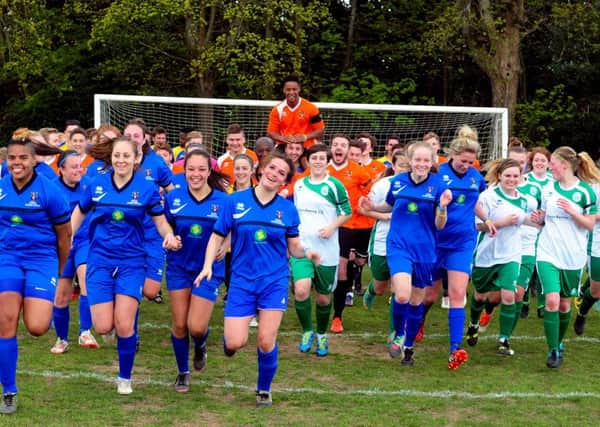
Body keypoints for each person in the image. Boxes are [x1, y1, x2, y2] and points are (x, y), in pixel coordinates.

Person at [195, 152, 320, 407]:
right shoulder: (236, 202)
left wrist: (306, 253)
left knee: (265, 339)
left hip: (274, 281)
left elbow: (293, 245)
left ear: (284, 182)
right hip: (241, 280)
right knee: (235, 341)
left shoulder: (287, 209)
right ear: (262, 169)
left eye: (281, 173)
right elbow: (217, 236)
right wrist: (208, 265)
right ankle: (230, 341)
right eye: (272, 168)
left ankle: (264, 389)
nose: (274, 174)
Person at [71, 136, 181, 394]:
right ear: (111, 157)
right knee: (102, 326)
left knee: (124, 325)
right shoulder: (96, 185)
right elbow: (79, 213)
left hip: (132, 261)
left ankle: (125, 378)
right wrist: (67, 239)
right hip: (99, 260)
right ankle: (109, 321)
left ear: (136, 158)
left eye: (126, 156)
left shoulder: (146, 188)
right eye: (117, 155)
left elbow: (160, 221)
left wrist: (167, 235)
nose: (121, 160)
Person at [359, 141, 452, 366]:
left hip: (425, 250)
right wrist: (370, 206)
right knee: (402, 294)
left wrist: (442, 207)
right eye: (417, 159)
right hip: (398, 245)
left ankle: (408, 345)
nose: (421, 164)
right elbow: (389, 206)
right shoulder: (398, 182)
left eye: (426, 160)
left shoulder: (439, 186)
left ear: (432, 163)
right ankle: (398, 335)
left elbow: (440, 225)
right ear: (410, 161)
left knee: (416, 301)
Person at [0, 137, 72, 414]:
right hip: (7, 259)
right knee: (6, 321)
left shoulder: (50, 191)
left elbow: (65, 237)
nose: (17, 163)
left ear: (34, 161)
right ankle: (9, 390)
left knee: (37, 327)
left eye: (22, 158)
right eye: (12, 158)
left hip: (42, 261)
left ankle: (37, 306)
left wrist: (61, 272)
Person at [417, 131, 490, 368]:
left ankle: (454, 349)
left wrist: (486, 219)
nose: (466, 166)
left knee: (458, 294)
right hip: (435, 241)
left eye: (471, 162)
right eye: (463, 161)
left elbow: (474, 202)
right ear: (452, 154)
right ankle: (418, 322)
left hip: (462, 242)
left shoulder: (475, 177)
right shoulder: (437, 173)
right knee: (429, 295)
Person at [164, 148, 229, 393]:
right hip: (179, 267)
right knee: (180, 325)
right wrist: (169, 237)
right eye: (191, 169)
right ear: (184, 170)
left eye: (202, 169)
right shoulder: (174, 199)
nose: (196, 174)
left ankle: (200, 344)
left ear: (209, 171)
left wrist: (226, 243)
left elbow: (234, 227)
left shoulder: (223, 201)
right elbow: (165, 226)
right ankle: (183, 372)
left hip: (209, 270)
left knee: (197, 327)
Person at [531, 146, 598, 368]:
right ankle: (552, 351)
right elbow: (542, 221)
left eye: (553, 164)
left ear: (565, 165)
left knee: (564, 304)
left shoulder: (585, 192)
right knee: (552, 300)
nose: (550, 167)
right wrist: (538, 217)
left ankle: (559, 344)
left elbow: (589, 224)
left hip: (573, 256)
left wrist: (573, 211)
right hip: (548, 251)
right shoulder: (548, 190)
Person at [467, 159, 534, 357]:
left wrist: (540, 219)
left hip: (511, 253)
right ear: (499, 176)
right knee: (480, 295)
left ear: (521, 178)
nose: (512, 179)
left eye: (516, 176)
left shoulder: (524, 200)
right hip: (487, 254)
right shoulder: (487, 197)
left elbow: (528, 221)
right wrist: (501, 223)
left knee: (508, 295)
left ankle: (504, 339)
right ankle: (473, 323)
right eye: (508, 176)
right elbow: (477, 226)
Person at [292, 144, 351, 357]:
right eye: (313, 157)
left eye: (321, 158)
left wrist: (331, 227)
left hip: (327, 251)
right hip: (303, 248)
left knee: (324, 299)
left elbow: (347, 211)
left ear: (327, 161)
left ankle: (322, 334)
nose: (317, 161)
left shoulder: (334, 185)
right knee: (301, 291)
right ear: (307, 161)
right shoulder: (299, 185)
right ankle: (307, 331)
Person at [50, 150, 99, 355]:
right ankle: (62, 339)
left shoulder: (89, 185)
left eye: (80, 166)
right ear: (61, 169)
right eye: (74, 167)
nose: (79, 170)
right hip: (62, 246)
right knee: (61, 296)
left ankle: (85, 331)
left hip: (86, 241)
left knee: (86, 277)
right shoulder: (51, 189)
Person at [361, 151, 410, 345]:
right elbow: (366, 209)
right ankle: (371, 291)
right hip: (383, 239)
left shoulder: (419, 185)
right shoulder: (383, 185)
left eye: (408, 166)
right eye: (401, 165)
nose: (404, 169)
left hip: (405, 244)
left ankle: (395, 333)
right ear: (393, 165)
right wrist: (386, 217)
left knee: (398, 290)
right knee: (381, 286)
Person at [327, 135, 372, 332]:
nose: (339, 148)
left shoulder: (359, 171)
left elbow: (372, 190)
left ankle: (339, 312)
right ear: (331, 148)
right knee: (340, 268)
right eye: (335, 144)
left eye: (343, 145)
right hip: (332, 226)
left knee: (356, 263)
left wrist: (368, 201)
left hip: (355, 226)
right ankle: (336, 314)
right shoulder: (322, 169)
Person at [524, 146, 553, 317]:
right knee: (528, 265)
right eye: (536, 160)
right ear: (531, 162)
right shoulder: (524, 179)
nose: (540, 163)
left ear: (549, 163)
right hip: (528, 228)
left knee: (544, 265)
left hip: (548, 229)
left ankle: (542, 304)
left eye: (543, 160)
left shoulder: (553, 181)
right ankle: (525, 301)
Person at [267, 75, 325, 149]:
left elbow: (320, 130)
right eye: (288, 89)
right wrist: (283, 138)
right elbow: (271, 132)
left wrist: (305, 137)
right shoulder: (277, 110)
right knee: (274, 160)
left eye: (294, 89)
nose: (291, 92)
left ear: (299, 89)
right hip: (285, 146)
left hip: (306, 146)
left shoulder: (311, 108)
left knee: (308, 159)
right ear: (284, 90)